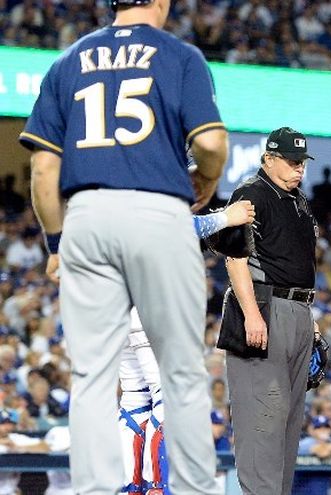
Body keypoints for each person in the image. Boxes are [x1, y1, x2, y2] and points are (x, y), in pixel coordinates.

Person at [19, 0, 228, 491]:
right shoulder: (179, 55)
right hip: (159, 210)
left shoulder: (68, 61)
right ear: (161, 2)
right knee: (180, 371)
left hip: (87, 214)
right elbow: (212, 144)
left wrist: (56, 242)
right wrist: (208, 178)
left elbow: (43, 168)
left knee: (93, 376)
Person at [118, 202, 254, 494]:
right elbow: (175, 225)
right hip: (148, 306)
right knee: (168, 398)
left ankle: (130, 487)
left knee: (135, 399)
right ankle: (159, 488)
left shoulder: (112, 195)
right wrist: (225, 217)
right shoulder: (149, 192)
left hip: (118, 306)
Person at [223, 126, 320, 495]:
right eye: (292, 161)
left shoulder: (299, 200)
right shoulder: (251, 193)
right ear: (268, 158)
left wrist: (312, 324)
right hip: (264, 307)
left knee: (288, 427)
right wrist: (251, 313)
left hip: (299, 310)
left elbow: (298, 264)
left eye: (302, 162)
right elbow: (235, 258)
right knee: (262, 422)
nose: (299, 168)